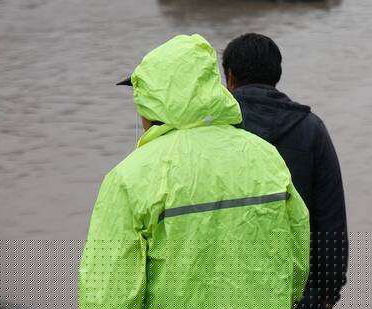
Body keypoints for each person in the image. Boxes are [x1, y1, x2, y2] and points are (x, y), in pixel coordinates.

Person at [79, 34, 310, 309]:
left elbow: (107, 295)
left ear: (151, 103)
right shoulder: (266, 157)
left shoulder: (130, 178)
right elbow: (297, 259)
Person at [222, 33, 349, 309]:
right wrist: (328, 291)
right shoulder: (311, 129)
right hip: (299, 290)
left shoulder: (215, 130)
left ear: (230, 78)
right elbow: (330, 219)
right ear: (276, 75)